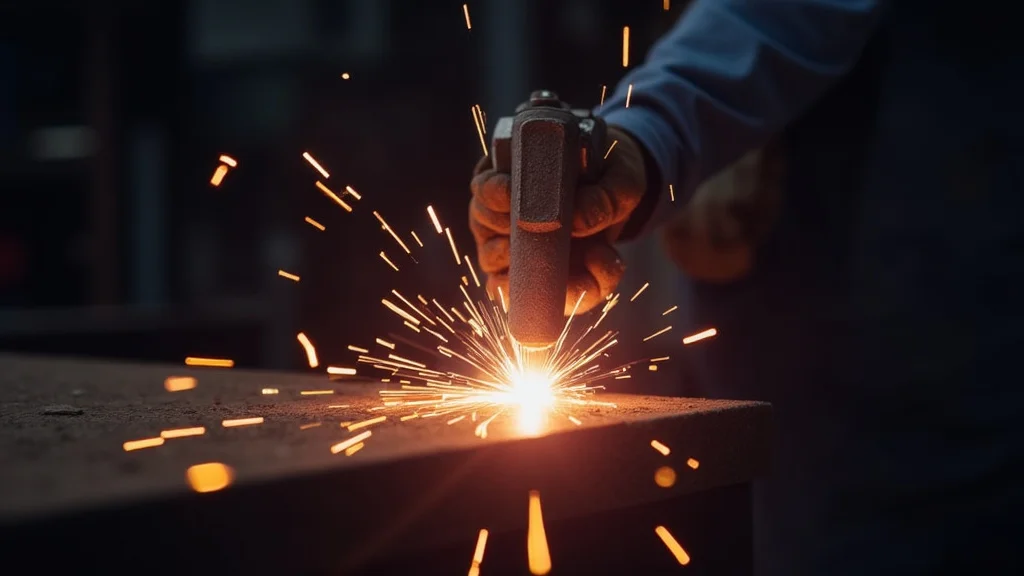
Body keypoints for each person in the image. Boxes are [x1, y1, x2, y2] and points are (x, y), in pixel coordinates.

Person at [469, 0, 1024, 574]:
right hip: (799, 403)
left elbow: (780, 16)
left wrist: (650, 130)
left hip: (960, 388)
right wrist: (639, 148)